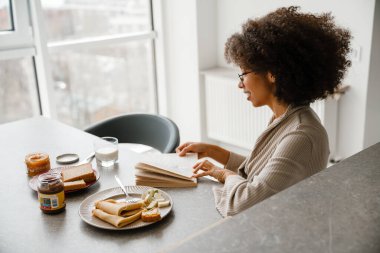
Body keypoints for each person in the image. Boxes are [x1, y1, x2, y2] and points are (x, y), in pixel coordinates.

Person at [176, 6, 351, 217]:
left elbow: (244, 202)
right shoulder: (288, 117)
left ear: (272, 74)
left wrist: (222, 173)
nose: (240, 84)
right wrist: (215, 152)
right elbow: (262, 175)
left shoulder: (302, 134)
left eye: (243, 74)